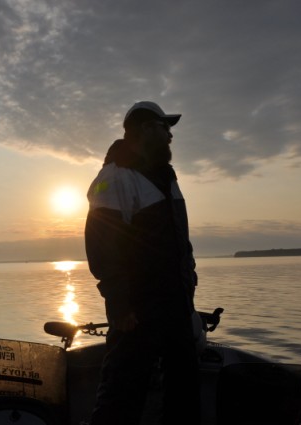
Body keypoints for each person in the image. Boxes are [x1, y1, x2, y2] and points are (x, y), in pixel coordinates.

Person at [84, 101, 200, 425]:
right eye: (165, 128)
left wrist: (189, 282)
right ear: (146, 129)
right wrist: (119, 305)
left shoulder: (166, 178)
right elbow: (102, 245)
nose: (170, 136)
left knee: (184, 394)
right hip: (136, 312)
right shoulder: (114, 178)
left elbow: (179, 239)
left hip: (177, 305)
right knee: (121, 396)